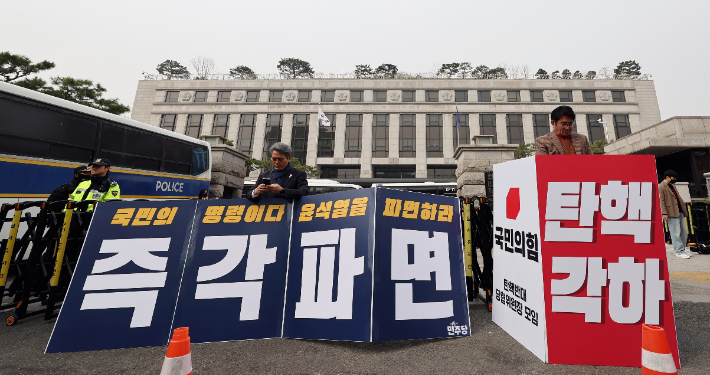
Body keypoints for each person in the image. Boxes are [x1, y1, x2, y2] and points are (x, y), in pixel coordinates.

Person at [659, 170, 691, 259]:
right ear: (667, 177)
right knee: (675, 233)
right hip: (671, 212)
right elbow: (661, 201)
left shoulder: (672, 186)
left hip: (679, 211)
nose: (675, 179)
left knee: (684, 232)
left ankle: (682, 250)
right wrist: (664, 213)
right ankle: (679, 251)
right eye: (673, 177)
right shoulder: (661, 187)